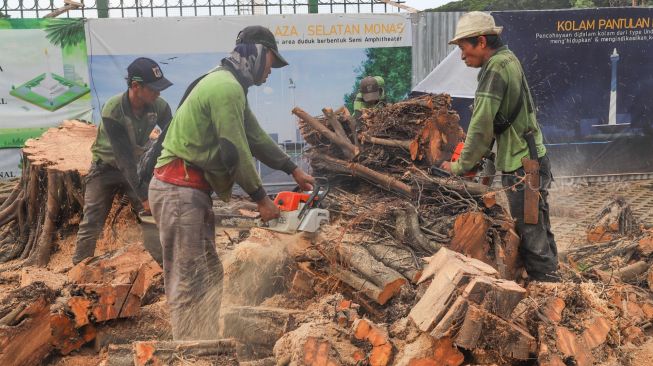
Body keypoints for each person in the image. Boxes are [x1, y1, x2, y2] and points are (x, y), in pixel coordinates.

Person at [148, 25, 315, 340]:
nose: (270, 71)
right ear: (257, 53)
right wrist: (261, 198)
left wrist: (293, 169)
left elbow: (255, 136)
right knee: (189, 279)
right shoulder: (225, 88)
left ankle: (207, 343)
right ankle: (190, 354)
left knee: (209, 275)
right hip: (178, 189)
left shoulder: (230, 86)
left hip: (189, 191)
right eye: (270, 63)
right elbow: (233, 148)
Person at [440, 12, 559, 282]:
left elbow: (481, 127)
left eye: (463, 47)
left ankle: (549, 290)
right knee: (540, 226)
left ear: (481, 41)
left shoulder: (493, 69)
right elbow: (497, 122)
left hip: (523, 164)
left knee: (531, 232)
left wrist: (460, 165)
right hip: (532, 157)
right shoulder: (508, 60)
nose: (461, 56)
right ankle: (553, 278)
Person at [73, 57, 173, 265]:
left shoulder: (160, 107)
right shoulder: (113, 109)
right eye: (153, 89)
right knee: (92, 219)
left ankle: (163, 266)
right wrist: (144, 194)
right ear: (136, 86)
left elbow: (170, 137)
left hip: (139, 167)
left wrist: (154, 175)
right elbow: (123, 157)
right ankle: (79, 268)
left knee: (151, 218)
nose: (158, 93)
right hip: (106, 168)